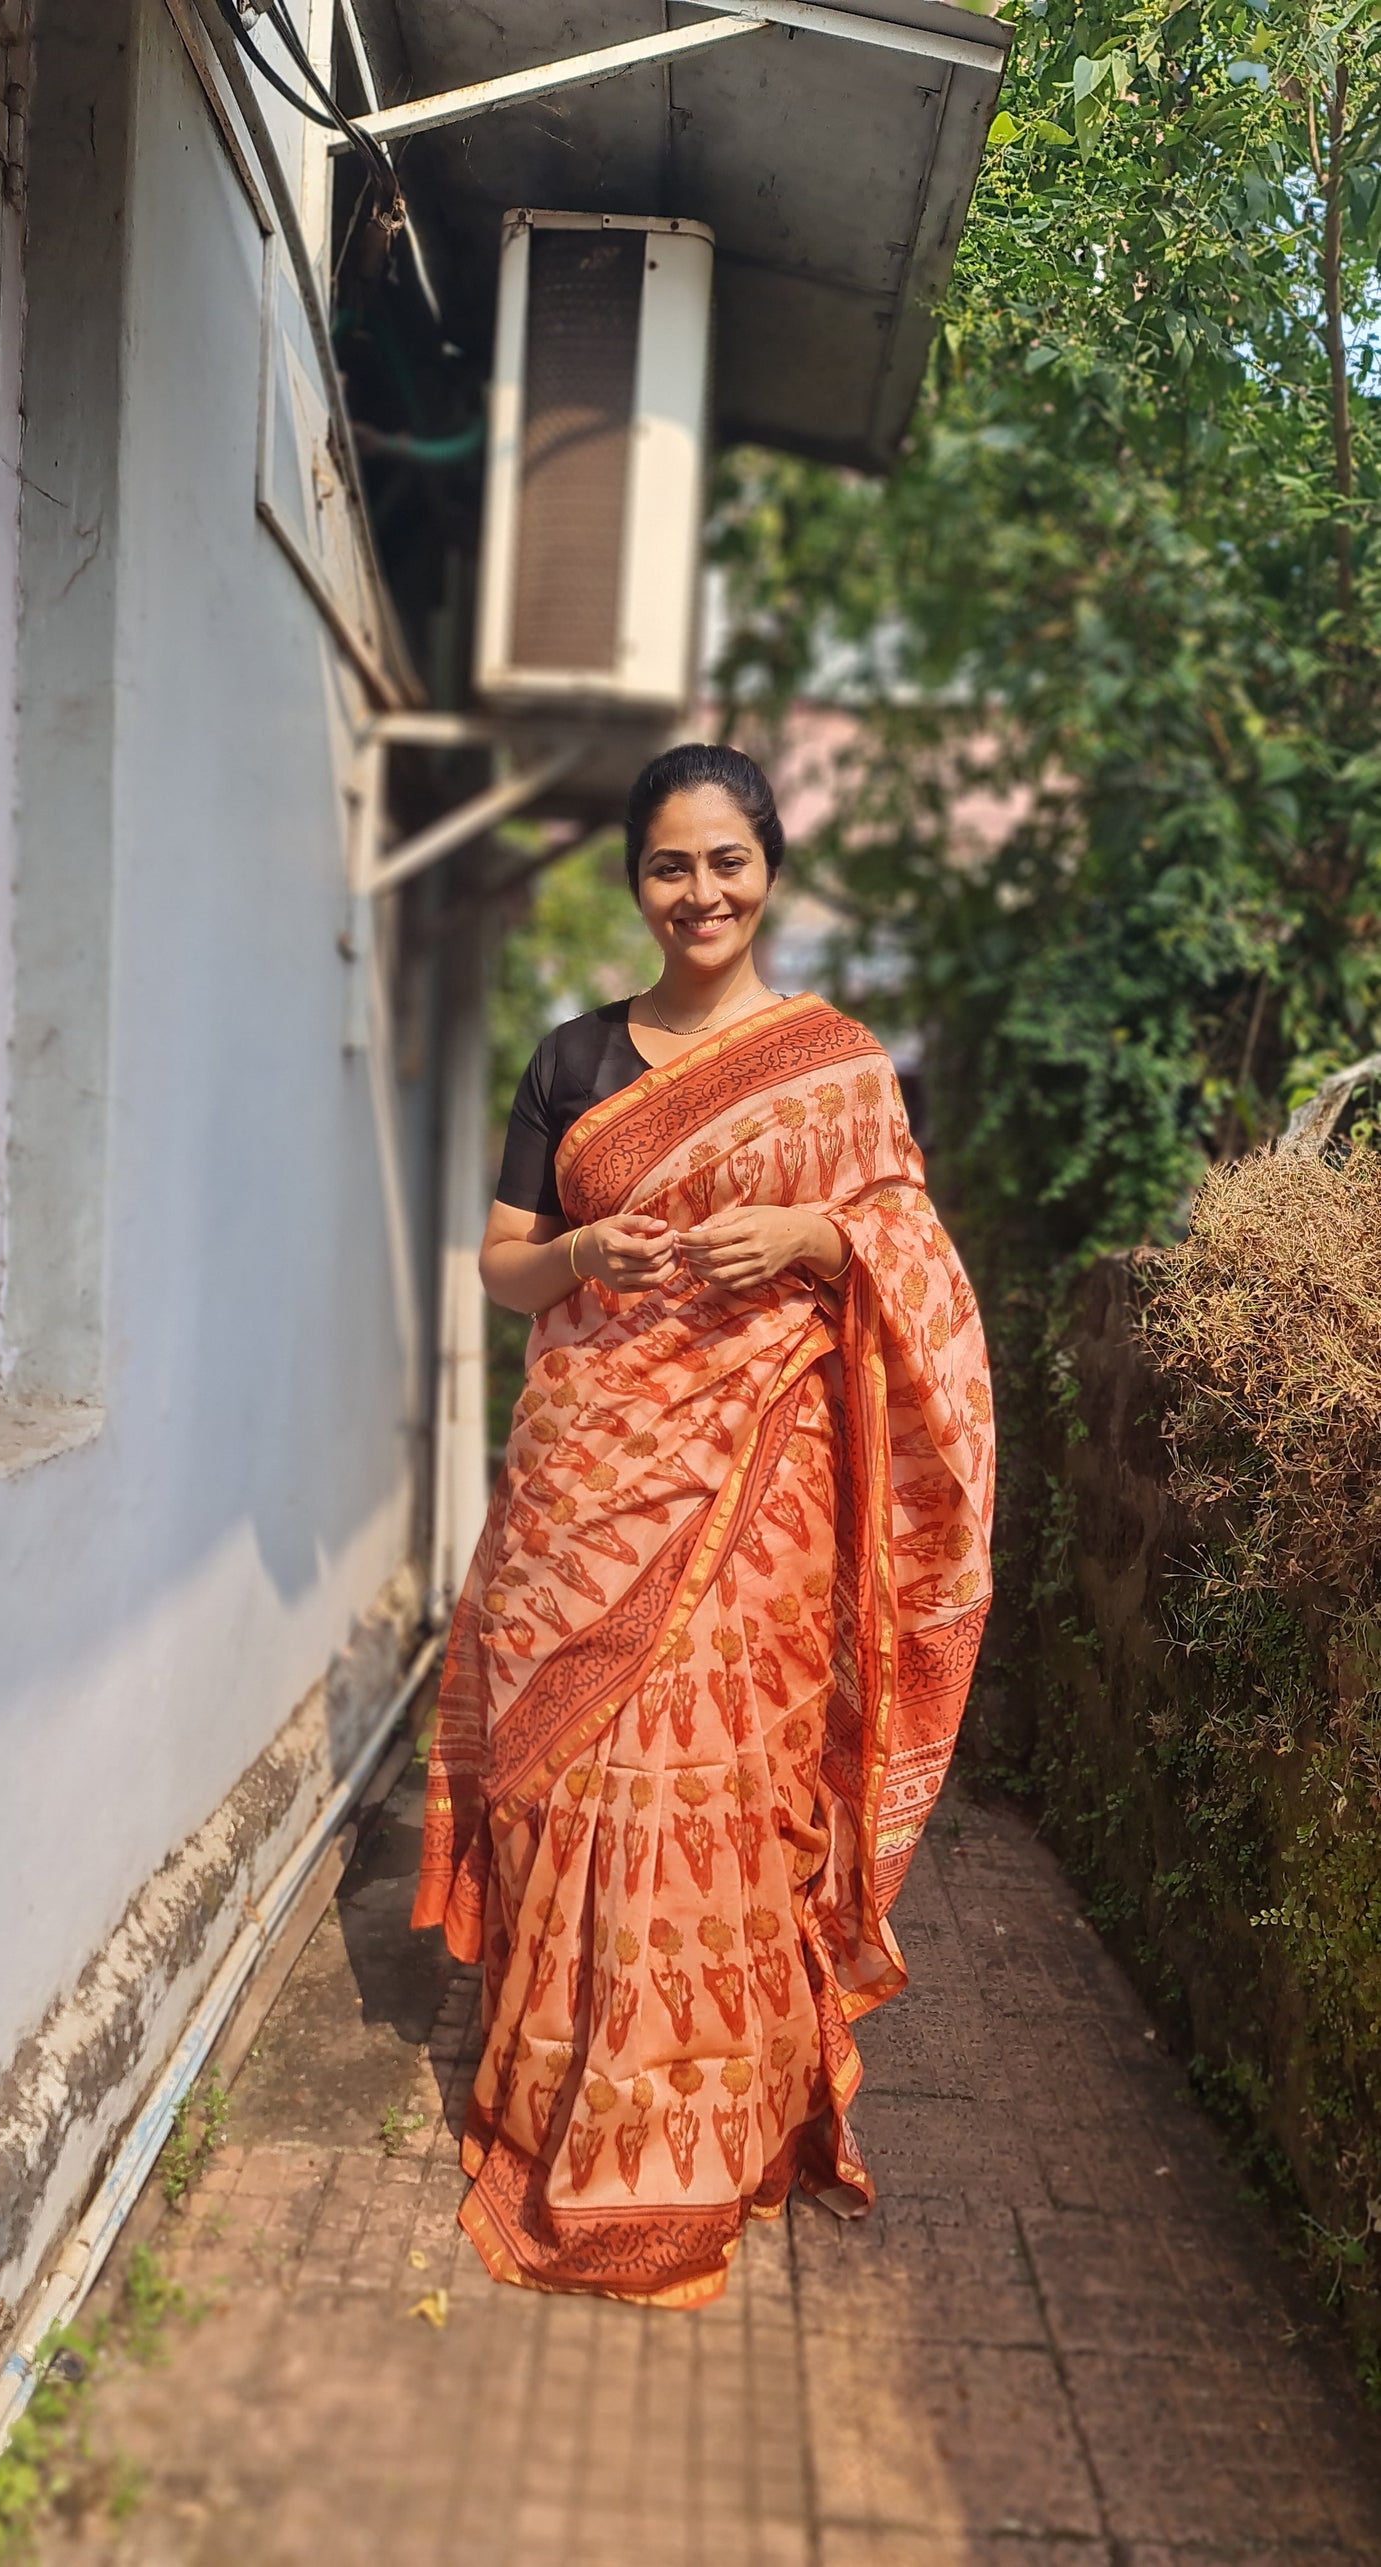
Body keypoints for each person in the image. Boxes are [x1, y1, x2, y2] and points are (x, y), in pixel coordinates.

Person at [413, 741, 994, 2305]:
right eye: (669, 866)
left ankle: (697, 2140)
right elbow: (503, 1267)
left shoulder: (838, 1063)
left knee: (714, 1786)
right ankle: (553, 2101)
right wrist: (585, 1245)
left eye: (725, 861)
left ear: (770, 868)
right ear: (635, 881)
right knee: (561, 1776)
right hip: (583, 1472)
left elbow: (911, 1258)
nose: (699, 893)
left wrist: (813, 1231)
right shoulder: (572, 1057)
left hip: (758, 1491)